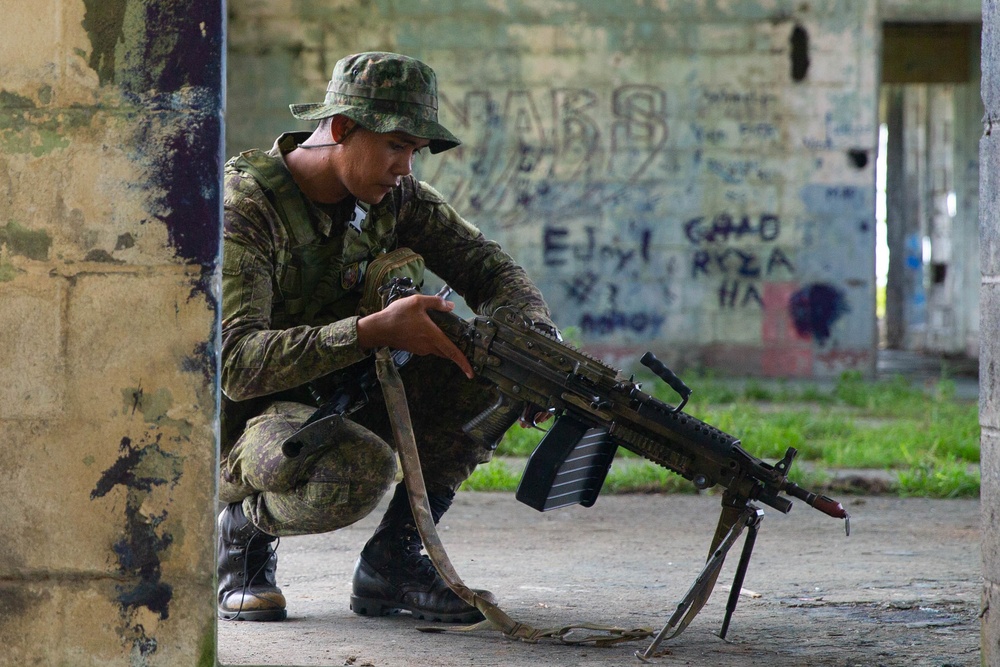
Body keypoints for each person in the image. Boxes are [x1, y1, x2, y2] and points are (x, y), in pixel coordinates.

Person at [217, 51, 555, 624]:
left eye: (414, 152)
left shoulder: (394, 200)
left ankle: (392, 564)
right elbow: (236, 364)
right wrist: (372, 331)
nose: (405, 167)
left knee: (500, 371)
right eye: (396, 145)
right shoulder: (247, 207)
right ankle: (242, 529)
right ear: (342, 128)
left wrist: (536, 341)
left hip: (354, 390)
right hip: (255, 421)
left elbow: (489, 268)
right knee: (358, 471)